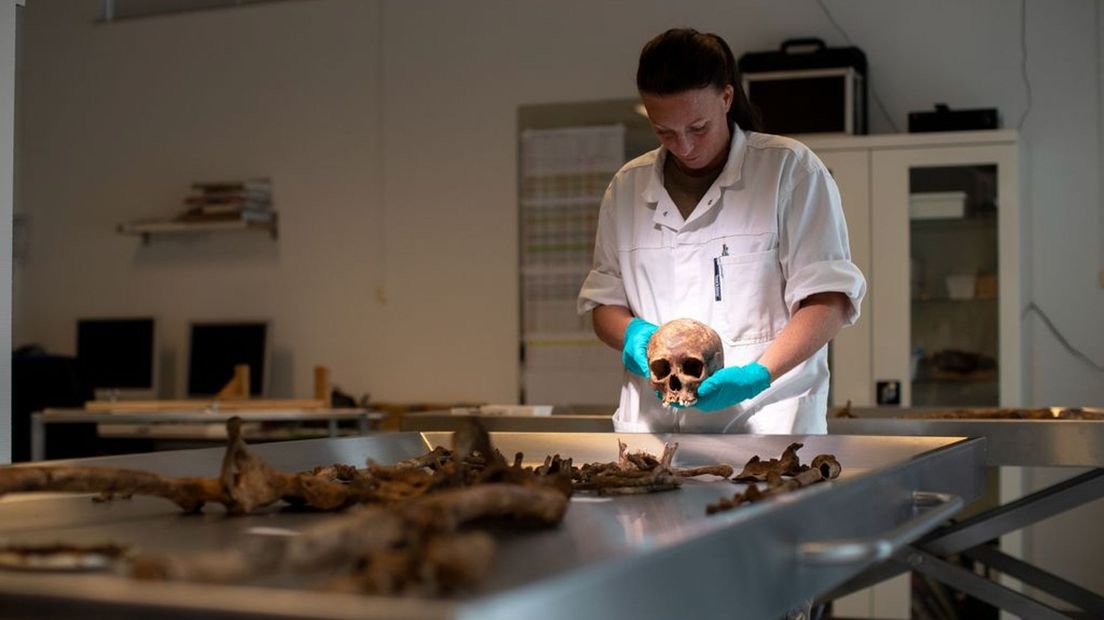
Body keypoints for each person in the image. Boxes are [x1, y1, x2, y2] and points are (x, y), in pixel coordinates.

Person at [577, 28, 866, 435]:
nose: (684, 146)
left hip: (767, 426)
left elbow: (829, 301)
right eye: (665, 132)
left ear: (726, 98)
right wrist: (634, 337)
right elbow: (604, 304)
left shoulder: (791, 172)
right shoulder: (627, 188)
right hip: (653, 432)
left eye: (697, 128)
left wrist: (758, 374)